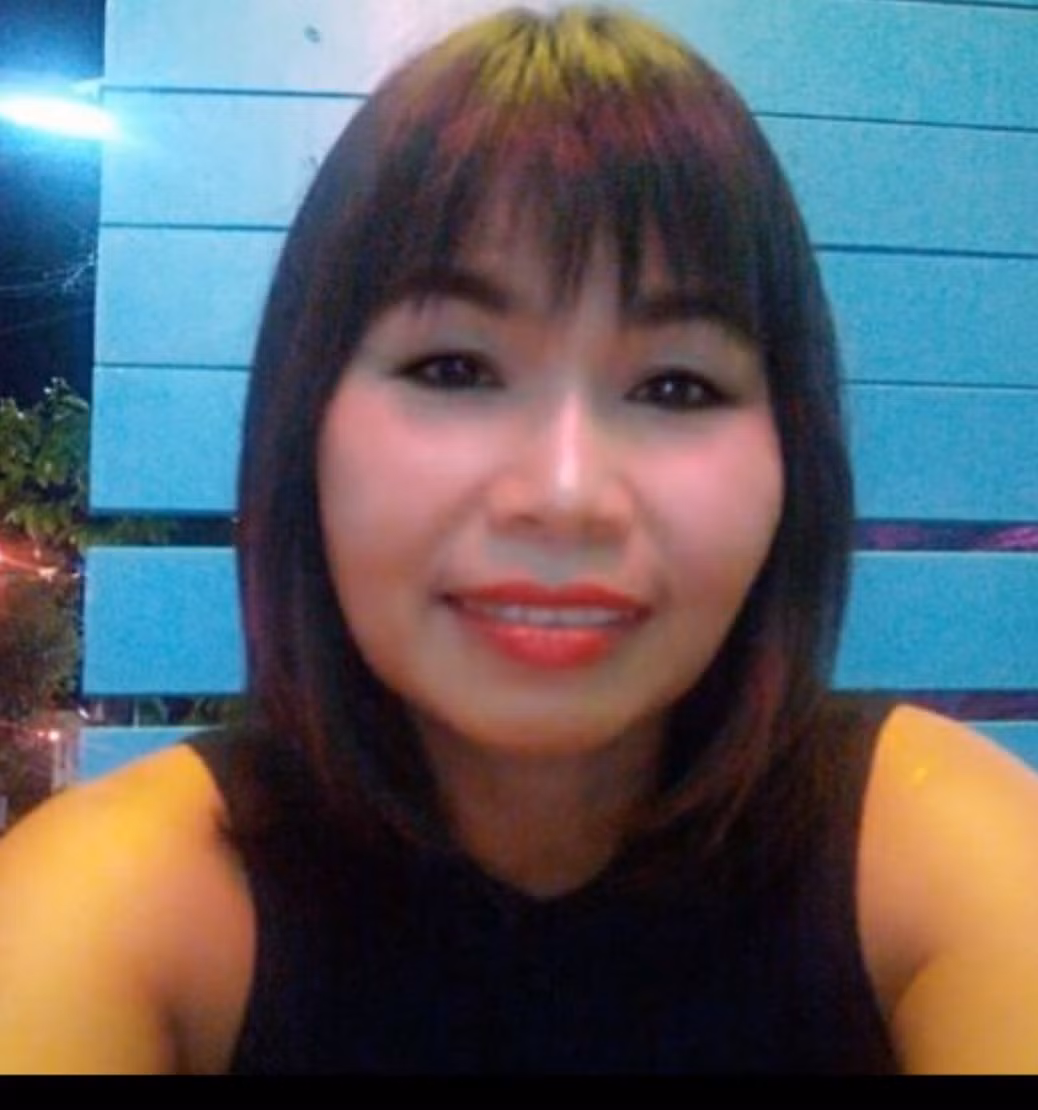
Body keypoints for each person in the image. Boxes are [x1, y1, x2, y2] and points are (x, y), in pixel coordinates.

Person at [1, 4, 1037, 1075]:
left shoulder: (943, 854)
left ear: (793, 453)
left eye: (676, 385)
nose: (565, 493)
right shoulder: (117, 907)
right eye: (454, 369)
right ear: (305, 428)